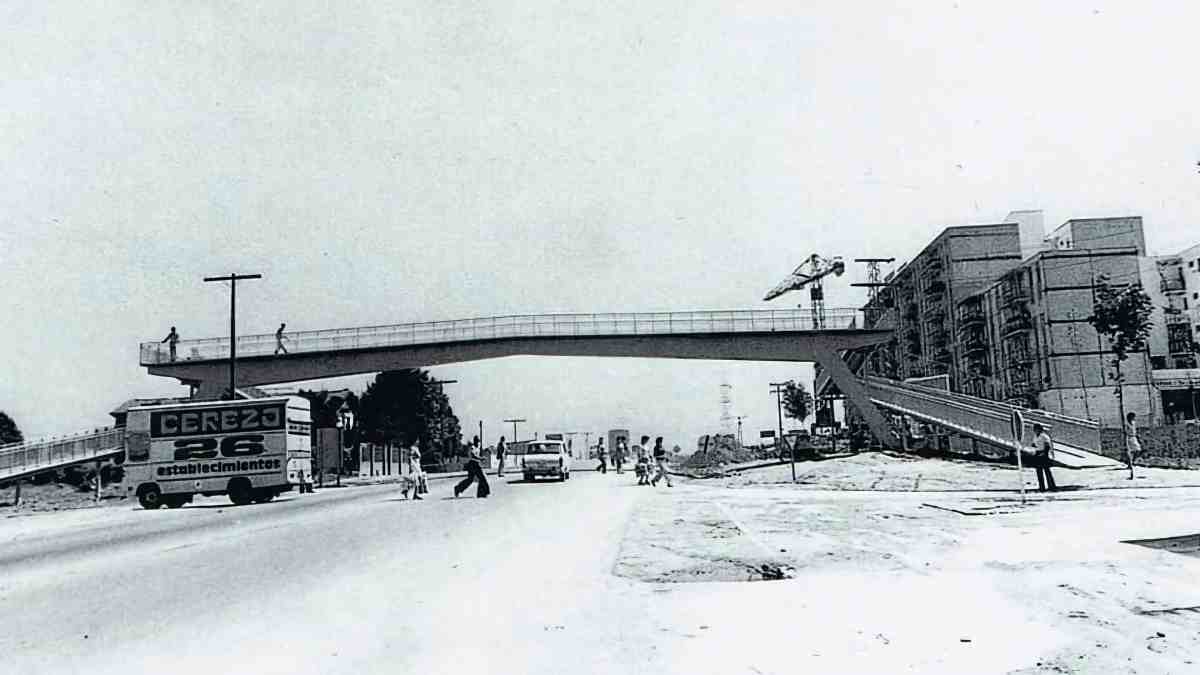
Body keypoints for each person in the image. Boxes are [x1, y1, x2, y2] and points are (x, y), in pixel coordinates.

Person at [1029, 423, 1056, 492]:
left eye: (1036, 429)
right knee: (1039, 471)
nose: (1035, 431)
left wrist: (1044, 453)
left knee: (1047, 471)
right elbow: (1034, 444)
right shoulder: (1035, 436)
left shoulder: (1044, 436)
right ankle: (1042, 487)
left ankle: (1051, 486)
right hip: (1037, 453)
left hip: (1044, 454)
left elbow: (1047, 445)